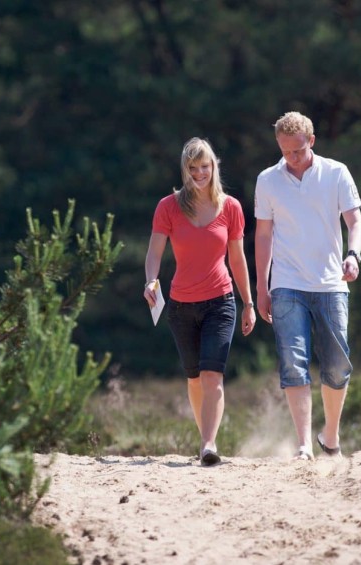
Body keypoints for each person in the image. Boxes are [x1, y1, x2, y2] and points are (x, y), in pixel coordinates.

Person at [254, 111, 361, 461]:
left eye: (298, 151)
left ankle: (329, 436)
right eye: (286, 151)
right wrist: (262, 286)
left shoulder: (336, 173)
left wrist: (353, 255)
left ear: (311, 141)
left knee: (336, 365)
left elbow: (355, 221)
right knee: (293, 361)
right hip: (286, 283)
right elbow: (263, 235)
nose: (292, 158)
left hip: (331, 282)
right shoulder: (268, 180)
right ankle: (303, 445)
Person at [144, 137, 256, 466]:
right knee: (194, 377)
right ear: (185, 170)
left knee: (212, 376)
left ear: (214, 167)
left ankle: (209, 444)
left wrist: (248, 302)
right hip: (180, 307)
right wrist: (151, 280)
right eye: (192, 168)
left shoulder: (231, 207)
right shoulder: (169, 206)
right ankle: (204, 434)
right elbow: (153, 252)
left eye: (204, 166)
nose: (199, 173)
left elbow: (237, 260)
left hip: (221, 302)